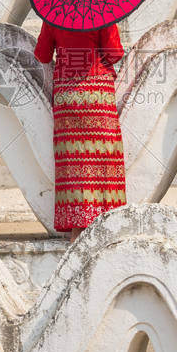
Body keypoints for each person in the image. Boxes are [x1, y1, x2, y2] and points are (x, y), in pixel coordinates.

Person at [34, 22, 126, 241]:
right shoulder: (103, 13)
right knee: (103, 161)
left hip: (67, 93)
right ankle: (105, 221)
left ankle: (77, 228)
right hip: (97, 93)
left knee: (74, 164)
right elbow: (115, 54)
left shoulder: (55, 14)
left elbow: (43, 55)